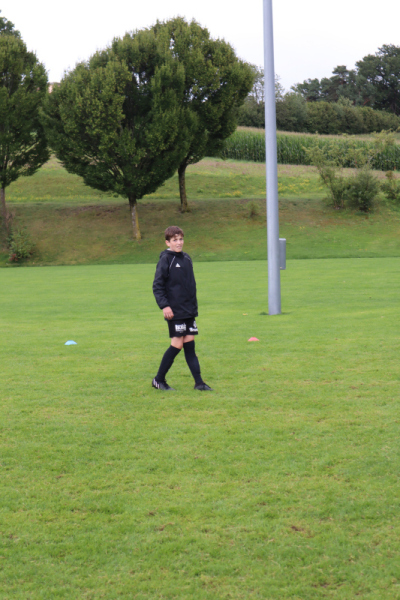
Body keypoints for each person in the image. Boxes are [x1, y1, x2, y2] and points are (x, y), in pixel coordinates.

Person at [152, 225, 212, 391]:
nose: (179, 243)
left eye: (180, 239)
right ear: (168, 242)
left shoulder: (186, 258)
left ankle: (199, 383)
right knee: (177, 344)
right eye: (175, 240)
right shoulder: (166, 259)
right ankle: (158, 380)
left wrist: (193, 308)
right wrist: (165, 306)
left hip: (188, 310)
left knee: (190, 345)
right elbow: (157, 285)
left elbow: (189, 285)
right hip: (174, 310)